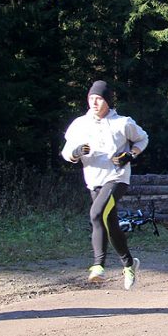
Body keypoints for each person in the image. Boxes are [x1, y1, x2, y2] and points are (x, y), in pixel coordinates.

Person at [61, 80, 148, 290]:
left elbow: (143, 139)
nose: (94, 102)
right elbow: (66, 152)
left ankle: (98, 266)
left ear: (108, 101)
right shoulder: (79, 124)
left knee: (96, 214)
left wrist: (130, 155)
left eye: (99, 98)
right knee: (110, 224)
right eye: (91, 98)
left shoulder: (123, 122)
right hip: (94, 180)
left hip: (117, 178)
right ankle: (129, 264)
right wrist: (76, 152)